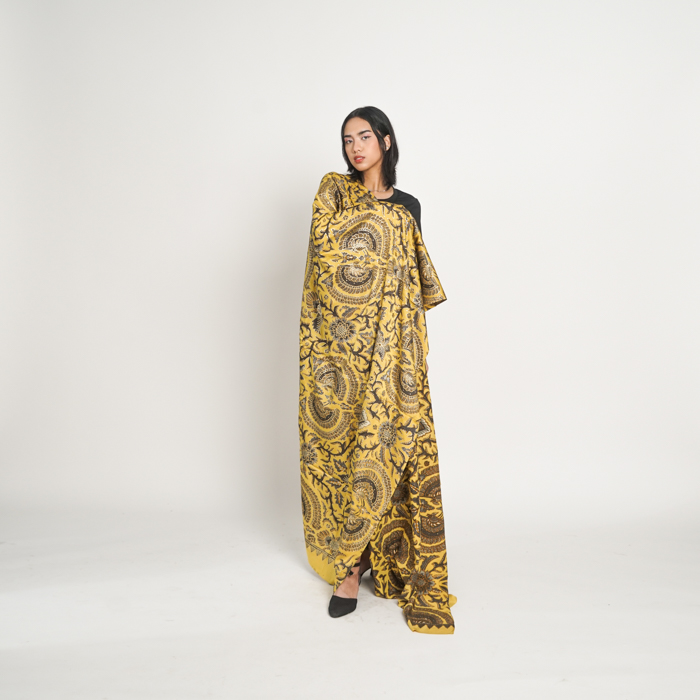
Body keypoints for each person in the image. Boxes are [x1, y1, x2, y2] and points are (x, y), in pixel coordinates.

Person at [298, 106, 456, 634]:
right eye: (347, 140)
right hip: (342, 352)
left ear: (386, 141)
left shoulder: (408, 207)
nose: (355, 147)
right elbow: (325, 260)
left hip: (393, 353)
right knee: (348, 451)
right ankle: (348, 569)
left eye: (364, 136)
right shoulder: (335, 195)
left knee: (393, 447)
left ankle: (384, 555)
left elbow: (407, 281)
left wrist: (405, 348)